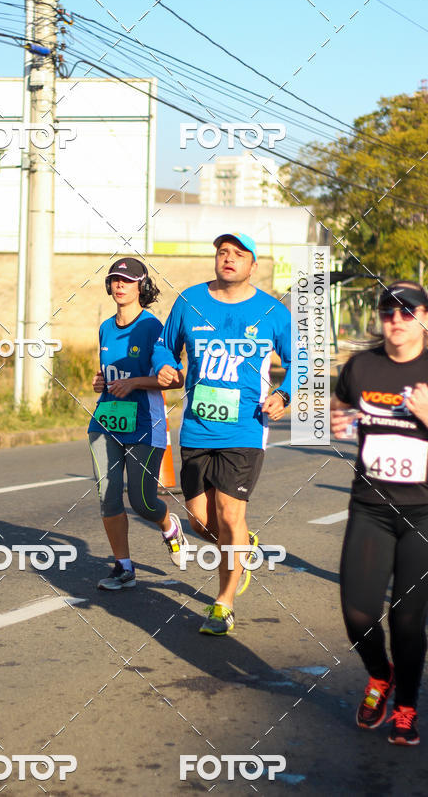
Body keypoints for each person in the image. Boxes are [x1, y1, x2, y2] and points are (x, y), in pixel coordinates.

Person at [153, 233, 291, 634]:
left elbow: (302, 357)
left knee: (231, 513)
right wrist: (164, 365)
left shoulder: (271, 311)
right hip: (196, 426)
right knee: (200, 522)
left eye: (238, 254)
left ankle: (223, 604)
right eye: (222, 252)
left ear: (253, 265)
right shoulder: (190, 302)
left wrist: (284, 393)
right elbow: (165, 345)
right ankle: (241, 546)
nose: (228, 258)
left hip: (246, 427)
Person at [331, 279, 428, 747]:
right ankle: (379, 674)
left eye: (407, 312)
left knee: (408, 620)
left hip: (424, 516)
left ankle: (406, 704)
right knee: (356, 612)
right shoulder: (361, 366)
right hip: (370, 506)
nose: (396, 320)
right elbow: (339, 406)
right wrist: (337, 418)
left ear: (425, 318)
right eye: (388, 311)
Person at [88, 257, 188, 590]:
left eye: (127, 281)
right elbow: (111, 373)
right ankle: (124, 567)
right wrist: (102, 382)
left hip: (145, 422)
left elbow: (173, 380)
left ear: (141, 287)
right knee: (108, 496)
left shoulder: (152, 327)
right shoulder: (104, 327)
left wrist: (134, 384)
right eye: (115, 279)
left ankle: (170, 528)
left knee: (142, 501)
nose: (120, 285)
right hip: (107, 419)